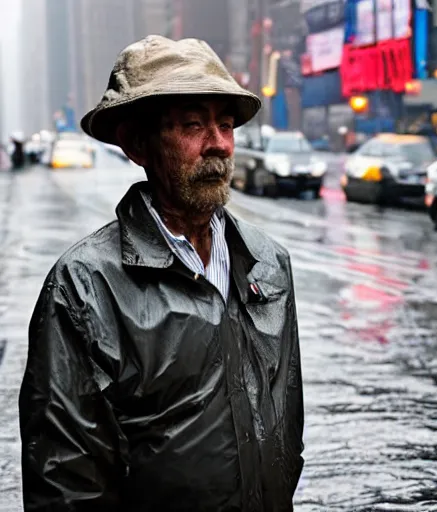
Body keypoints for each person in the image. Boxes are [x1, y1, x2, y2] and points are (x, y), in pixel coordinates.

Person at [19, 35, 304, 512]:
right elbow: (67, 482)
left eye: (226, 125)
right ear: (138, 145)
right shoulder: (84, 287)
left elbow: (286, 429)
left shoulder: (269, 263)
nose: (217, 144)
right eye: (193, 124)